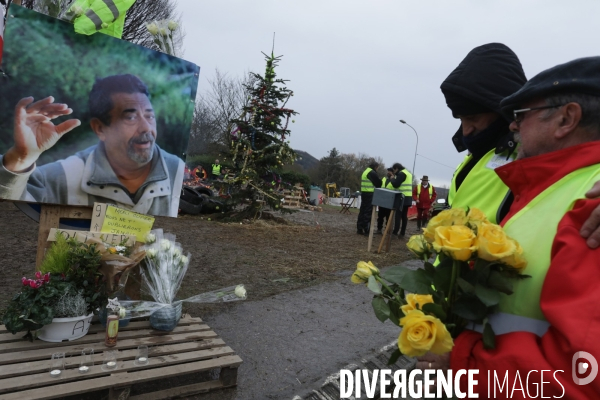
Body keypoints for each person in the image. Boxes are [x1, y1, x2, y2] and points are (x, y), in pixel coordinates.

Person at [430, 57, 600, 397]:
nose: (511, 126)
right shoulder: (546, 189)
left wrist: (459, 360)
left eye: (521, 115)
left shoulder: (590, 207)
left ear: (566, 118)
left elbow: (579, 375)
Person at [0, 74, 184, 217]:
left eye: (150, 116)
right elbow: (11, 214)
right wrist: (20, 158)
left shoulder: (177, 172)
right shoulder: (61, 177)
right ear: (100, 128)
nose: (146, 127)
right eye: (130, 117)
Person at [440, 43, 525, 224]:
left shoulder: (530, 158)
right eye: (460, 119)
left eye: (472, 118)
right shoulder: (475, 156)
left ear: (503, 111)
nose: (466, 130)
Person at [356, 160, 382, 235]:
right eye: (377, 168)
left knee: (363, 211)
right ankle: (367, 230)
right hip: (370, 193)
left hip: (364, 192)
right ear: (375, 167)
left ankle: (359, 228)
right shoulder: (372, 172)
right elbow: (378, 183)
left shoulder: (365, 171)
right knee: (368, 212)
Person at [388, 162, 413, 238]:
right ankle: (402, 233)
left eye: (394, 170)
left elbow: (396, 185)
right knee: (404, 215)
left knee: (398, 215)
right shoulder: (408, 173)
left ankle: (395, 232)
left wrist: (392, 179)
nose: (394, 172)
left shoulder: (401, 174)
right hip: (408, 197)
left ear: (396, 168)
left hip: (402, 197)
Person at [376, 168, 395, 234]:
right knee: (380, 217)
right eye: (388, 171)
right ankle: (379, 229)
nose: (388, 172)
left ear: (393, 173)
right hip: (382, 201)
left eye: (390, 171)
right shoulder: (384, 179)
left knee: (388, 217)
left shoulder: (394, 181)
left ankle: (387, 230)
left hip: (390, 201)